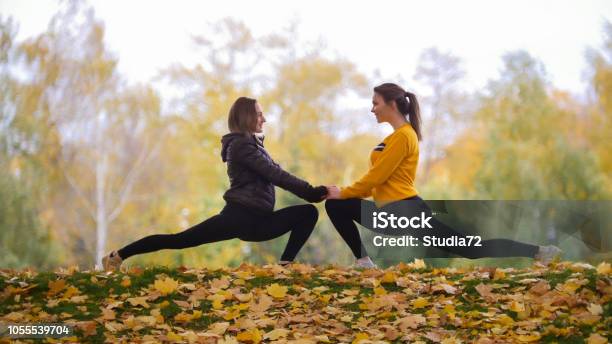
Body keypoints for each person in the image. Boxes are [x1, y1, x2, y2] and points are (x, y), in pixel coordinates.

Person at [324, 83, 561, 268]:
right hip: (392, 211)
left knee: (470, 248)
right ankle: (364, 262)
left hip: (405, 211)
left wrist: (344, 192)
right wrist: (341, 193)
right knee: (336, 205)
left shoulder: (405, 136)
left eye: (375, 103)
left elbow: (376, 177)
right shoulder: (391, 139)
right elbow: (375, 183)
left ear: (392, 105)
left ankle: (539, 252)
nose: (372, 108)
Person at [102, 97, 327, 270]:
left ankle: (285, 266)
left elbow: (276, 172)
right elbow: (276, 175)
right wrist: (312, 192)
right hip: (239, 217)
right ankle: (116, 257)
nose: (264, 119)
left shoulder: (253, 146)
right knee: (180, 240)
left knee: (307, 214)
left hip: (260, 221)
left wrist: (314, 194)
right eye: (259, 114)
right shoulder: (241, 146)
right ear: (246, 116)